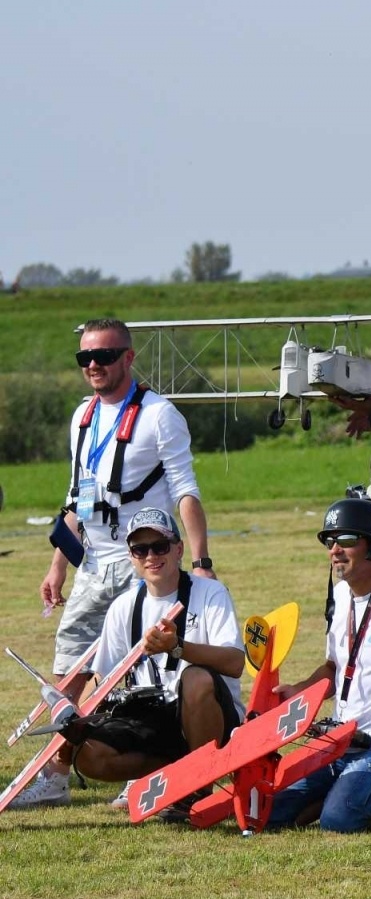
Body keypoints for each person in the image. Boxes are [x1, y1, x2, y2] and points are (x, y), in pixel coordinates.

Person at [19, 320, 213, 810]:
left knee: (136, 674)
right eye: (83, 358)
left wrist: (201, 560)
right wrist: (57, 565)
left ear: (128, 357)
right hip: (94, 564)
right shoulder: (81, 418)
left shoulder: (159, 415)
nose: (93, 366)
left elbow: (185, 490)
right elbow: (75, 500)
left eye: (104, 356)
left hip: (141, 562)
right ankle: (58, 773)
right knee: (68, 673)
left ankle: (142, 760)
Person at [266, 499, 371, 832]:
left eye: (345, 540)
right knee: (270, 810)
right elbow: (335, 667)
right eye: (328, 541)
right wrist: (300, 692)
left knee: (340, 818)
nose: (334, 550)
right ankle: (346, 787)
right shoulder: (342, 596)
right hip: (343, 738)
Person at [72, 508, 243, 822]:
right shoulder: (123, 607)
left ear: (178, 549)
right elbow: (101, 677)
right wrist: (71, 722)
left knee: (195, 679)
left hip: (212, 717)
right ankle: (173, 772)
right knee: (86, 756)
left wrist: (178, 647)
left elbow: (235, 663)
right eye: (141, 549)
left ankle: (198, 788)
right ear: (132, 557)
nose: (151, 555)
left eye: (160, 546)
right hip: (155, 720)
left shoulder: (211, 593)